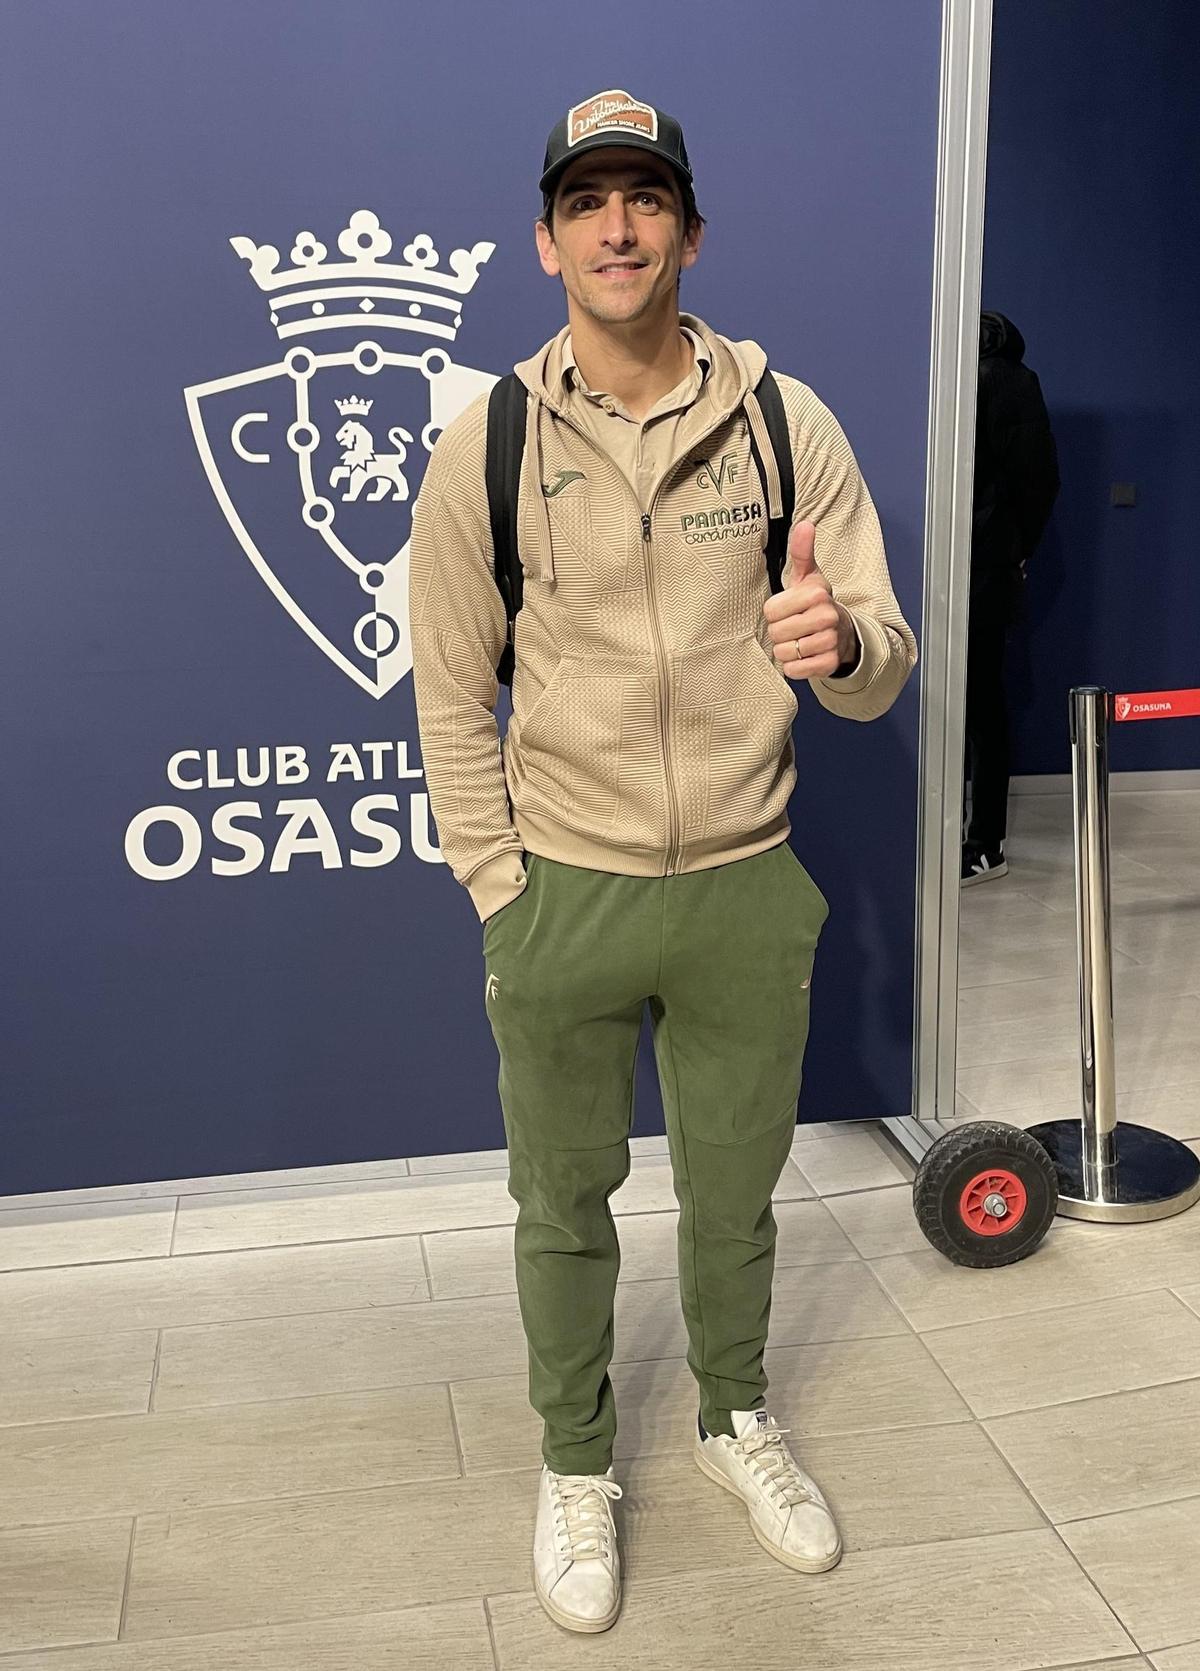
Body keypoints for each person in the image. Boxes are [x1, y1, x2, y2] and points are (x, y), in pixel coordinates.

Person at [408, 89, 917, 1634]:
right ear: (547, 237)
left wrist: (841, 649)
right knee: (561, 1198)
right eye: (588, 202)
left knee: (734, 1195)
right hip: (563, 884)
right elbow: (447, 690)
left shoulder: (785, 420)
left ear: (692, 229)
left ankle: (732, 1417)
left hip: (746, 886)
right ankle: (576, 1463)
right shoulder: (487, 438)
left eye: (645, 199)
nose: (617, 227)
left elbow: (885, 661)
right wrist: (504, 888)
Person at [962, 310, 1060, 884]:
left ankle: (983, 843)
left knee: (975, 704)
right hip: (979, 563)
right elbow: (1039, 477)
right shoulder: (1005, 379)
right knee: (978, 705)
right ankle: (980, 843)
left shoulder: (995, 379)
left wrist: (1015, 548)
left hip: (977, 564)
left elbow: (1037, 479)